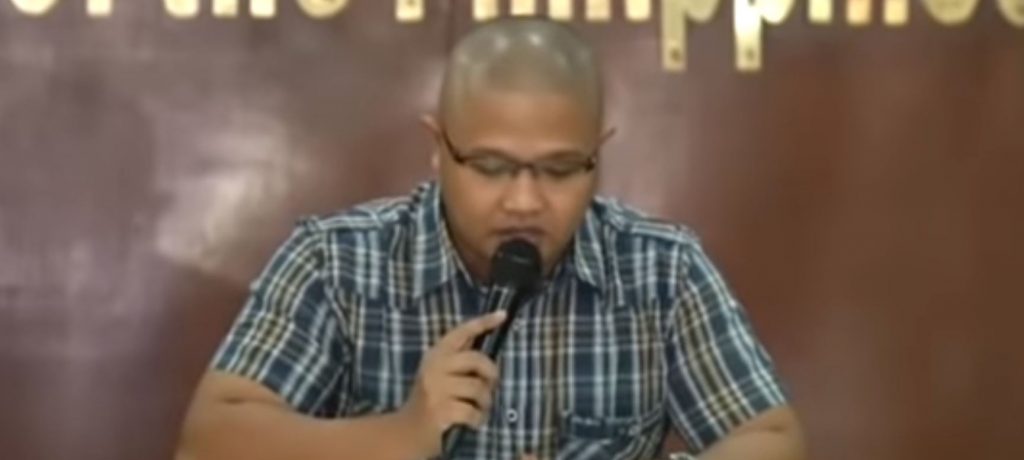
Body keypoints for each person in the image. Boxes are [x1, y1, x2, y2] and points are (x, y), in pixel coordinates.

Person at [175, 18, 806, 460]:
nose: (524, 201)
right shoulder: (337, 262)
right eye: (492, 167)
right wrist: (401, 434)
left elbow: (771, 438)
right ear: (438, 147)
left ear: (598, 154)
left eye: (560, 169)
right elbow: (210, 443)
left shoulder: (660, 270)